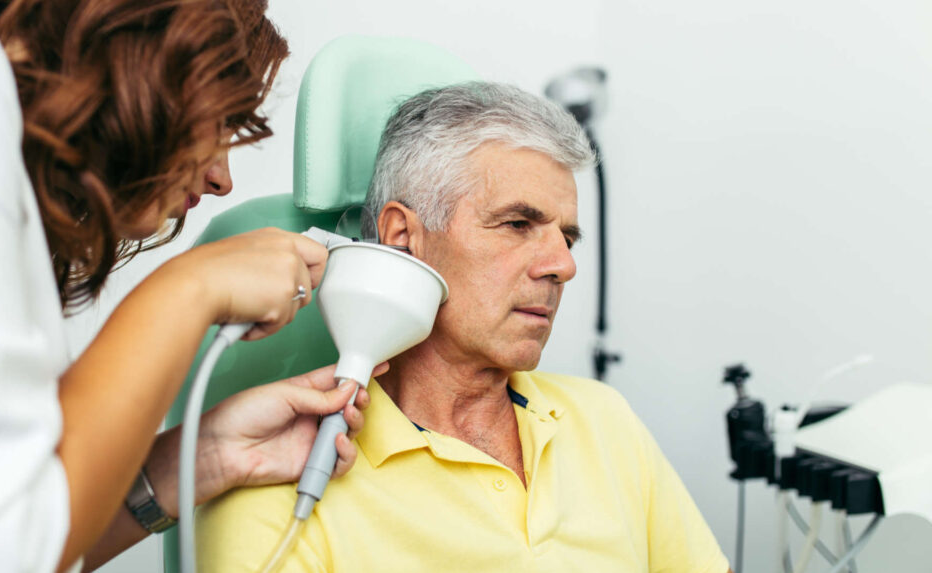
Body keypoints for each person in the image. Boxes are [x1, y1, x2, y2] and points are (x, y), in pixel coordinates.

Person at [0, 0, 374, 571]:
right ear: (149, 46)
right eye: (223, 123)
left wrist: (205, 459)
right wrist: (187, 288)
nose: (222, 179)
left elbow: (17, 525)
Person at [196, 82, 732, 572]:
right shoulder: (280, 478)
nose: (563, 266)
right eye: (518, 224)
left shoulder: (603, 420)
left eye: (566, 238)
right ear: (403, 237)